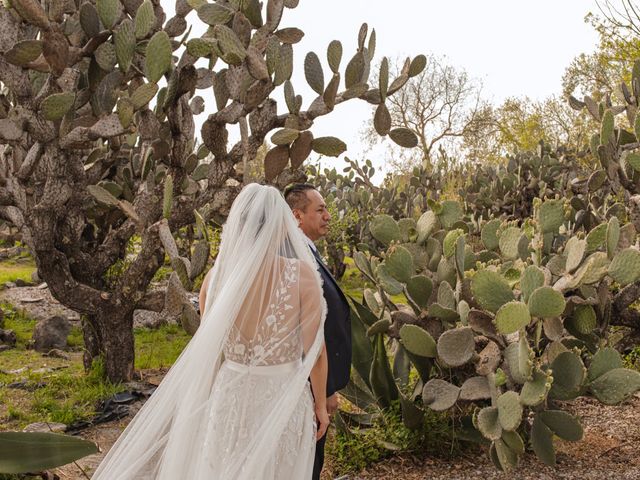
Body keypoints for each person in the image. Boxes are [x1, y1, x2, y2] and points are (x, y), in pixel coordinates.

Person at [92, 184, 329, 480]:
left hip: (229, 395)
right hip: (280, 398)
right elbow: (317, 353)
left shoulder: (214, 281)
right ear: (281, 227)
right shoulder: (301, 276)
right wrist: (321, 405)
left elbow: (210, 350)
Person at [284, 183, 352, 480]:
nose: (327, 215)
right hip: (307, 380)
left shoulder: (304, 250)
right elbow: (304, 328)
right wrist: (323, 391)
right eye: (320, 209)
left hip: (314, 377)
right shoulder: (295, 257)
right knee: (308, 456)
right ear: (297, 215)